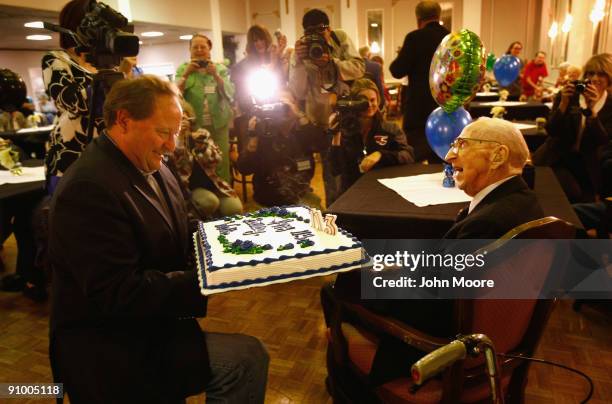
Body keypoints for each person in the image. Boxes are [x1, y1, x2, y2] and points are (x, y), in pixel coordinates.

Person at [48, 75, 269, 403]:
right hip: (109, 344)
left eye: (176, 133)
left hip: (147, 324)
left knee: (249, 355)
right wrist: (207, 280)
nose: (172, 145)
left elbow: (186, 222)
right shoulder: (89, 187)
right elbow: (119, 293)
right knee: (245, 360)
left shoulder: (153, 164)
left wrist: (235, 242)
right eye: (164, 132)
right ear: (123, 120)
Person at [289, 8, 365, 207]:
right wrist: (298, 62)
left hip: (346, 116)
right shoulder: (301, 49)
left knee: (351, 169)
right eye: (310, 32)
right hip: (321, 122)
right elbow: (297, 91)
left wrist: (332, 62)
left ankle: (354, 210)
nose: (315, 37)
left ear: (329, 30)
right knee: (331, 175)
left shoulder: (340, 38)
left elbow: (359, 68)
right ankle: (335, 215)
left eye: (320, 31)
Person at [42, 0, 104, 192]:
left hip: (105, 153)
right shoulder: (56, 59)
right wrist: (105, 78)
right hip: (71, 153)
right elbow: (72, 102)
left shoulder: (106, 61)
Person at [533, 53, 612, 203]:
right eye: (590, 73)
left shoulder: (610, 104)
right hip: (557, 157)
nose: (595, 78)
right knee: (570, 193)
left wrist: (592, 112)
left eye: (601, 74)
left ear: (609, 77)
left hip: (588, 164)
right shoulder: (571, 95)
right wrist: (563, 103)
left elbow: (603, 140)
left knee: (584, 201)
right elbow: (552, 130)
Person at [236, 91, 327, 207]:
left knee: (318, 217)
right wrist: (253, 138)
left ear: (296, 105)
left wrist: (300, 115)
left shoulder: (303, 131)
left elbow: (321, 145)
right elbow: (244, 168)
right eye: (278, 105)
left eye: (286, 106)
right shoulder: (263, 133)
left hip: (301, 195)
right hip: (269, 201)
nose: (283, 110)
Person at [330, 78, 414, 195]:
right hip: (352, 193)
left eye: (372, 100)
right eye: (363, 101)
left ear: (378, 100)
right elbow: (335, 168)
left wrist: (381, 154)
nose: (369, 105)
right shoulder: (346, 131)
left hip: (382, 191)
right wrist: (336, 134)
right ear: (354, 103)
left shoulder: (390, 129)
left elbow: (408, 155)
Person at [389, 1, 449, 162]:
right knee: (442, 164)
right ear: (439, 16)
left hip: (419, 113)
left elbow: (396, 70)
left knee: (413, 163)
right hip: (446, 111)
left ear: (418, 18)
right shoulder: (450, 38)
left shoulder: (414, 38)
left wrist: (403, 53)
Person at [176, 33, 235, 183]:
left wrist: (216, 76)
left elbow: (230, 93)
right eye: (195, 47)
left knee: (221, 160)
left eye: (203, 47)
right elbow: (174, 94)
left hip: (219, 124)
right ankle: (206, 193)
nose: (199, 50)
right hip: (196, 127)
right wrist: (186, 74)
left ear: (209, 49)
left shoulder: (220, 68)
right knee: (199, 161)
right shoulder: (183, 69)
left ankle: (225, 193)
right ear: (190, 50)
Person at [169, 100, 242, 219]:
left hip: (212, 183)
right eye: (179, 118)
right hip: (188, 188)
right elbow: (178, 166)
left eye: (185, 117)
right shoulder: (170, 142)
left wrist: (201, 146)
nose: (183, 122)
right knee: (210, 202)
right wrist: (180, 139)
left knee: (234, 208)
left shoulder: (201, 135)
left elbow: (216, 159)